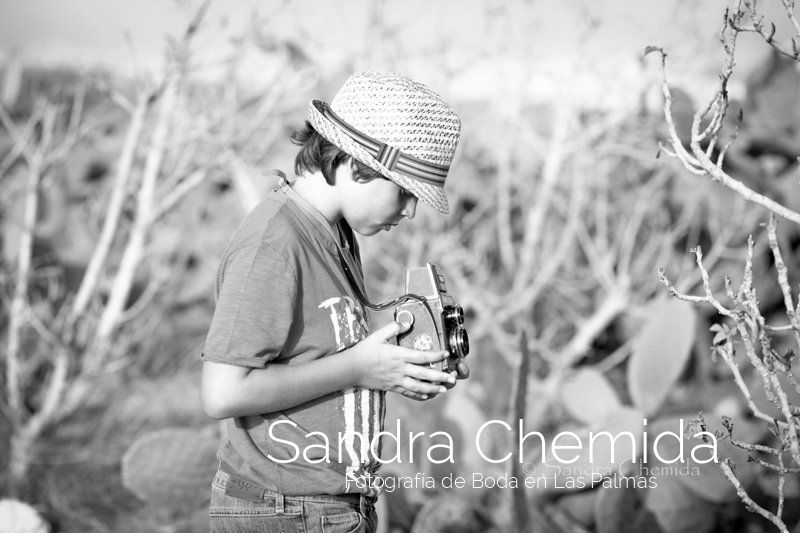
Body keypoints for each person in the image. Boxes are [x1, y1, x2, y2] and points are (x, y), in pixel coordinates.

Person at [200, 71, 468, 533]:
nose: (410, 211)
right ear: (355, 164)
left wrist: (400, 363)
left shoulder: (335, 233)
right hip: (282, 511)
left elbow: (323, 350)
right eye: (404, 191)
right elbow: (224, 393)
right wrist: (359, 369)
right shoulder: (275, 242)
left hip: (329, 504)